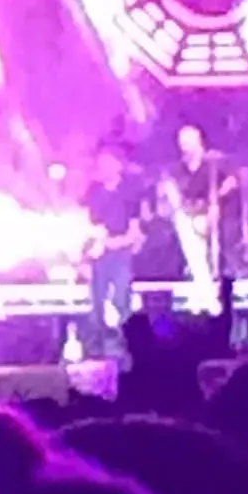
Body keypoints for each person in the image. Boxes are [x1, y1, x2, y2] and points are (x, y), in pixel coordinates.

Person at [84, 145, 144, 351]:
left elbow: (134, 231)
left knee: (120, 297)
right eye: (101, 163)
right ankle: (97, 343)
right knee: (97, 298)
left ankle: (125, 341)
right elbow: (88, 223)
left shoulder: (129, 194)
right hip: (98, 254)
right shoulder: (93, 192)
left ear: (119, 166)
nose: (104, 167)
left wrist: (113, 243)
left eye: (109, 162)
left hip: (121, 253)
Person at [171, 125, 240, 280]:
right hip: (192, 213)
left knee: (221, 233)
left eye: (188, 143)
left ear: (198, 141)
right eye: (182, 144)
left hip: (219, 212)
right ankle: (195, 268)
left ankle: (222, 270)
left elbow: (233, 180)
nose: (185, 147)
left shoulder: (215, 161)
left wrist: (216, 198)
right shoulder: (179, 168)